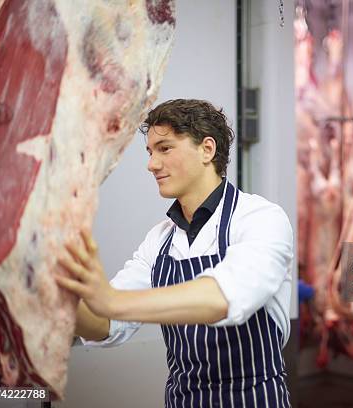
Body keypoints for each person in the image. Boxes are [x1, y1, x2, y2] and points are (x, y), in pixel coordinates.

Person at [55, 99, 293, 407]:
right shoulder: (159, 240)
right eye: (150, 152)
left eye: (165, 148)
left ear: (207, 150)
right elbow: (107, 323)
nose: (151, 164)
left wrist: (110, 300)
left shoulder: (261, 218)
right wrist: (56, 301)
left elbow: (223, 298)